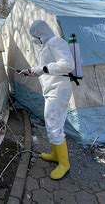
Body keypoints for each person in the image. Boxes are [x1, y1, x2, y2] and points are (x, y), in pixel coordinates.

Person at [19, 20, 75, 180]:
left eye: (34, 36)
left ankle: (64, 163)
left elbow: (68, 65)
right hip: (51, 90)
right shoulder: (47, 45)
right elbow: (47, 68)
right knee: (51, 123)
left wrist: (42, 69)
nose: (34, 39)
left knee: (54, 124)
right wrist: (32, 71)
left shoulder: (56, 42)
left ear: (40, 32)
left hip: (59, 90)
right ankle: (55, 155)